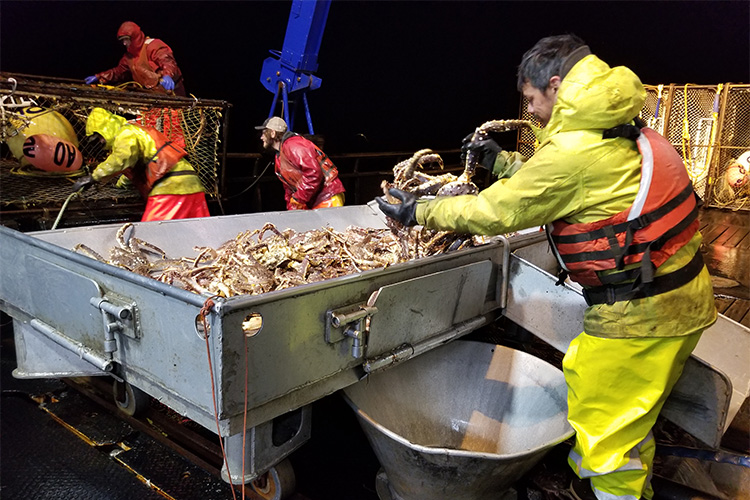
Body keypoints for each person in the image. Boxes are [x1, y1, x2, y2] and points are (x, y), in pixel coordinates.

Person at [377, 34, 716, 500]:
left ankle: (613, 492)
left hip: (638, 317)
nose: (532, 111)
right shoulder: (616, 122)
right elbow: (569, 185)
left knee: (607, 438)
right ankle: (603, 483)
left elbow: (495, 212)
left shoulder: (574, 151)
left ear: (556, 86)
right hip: (683, 297)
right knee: (628, 419)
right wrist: (502, 163)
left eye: (533, 100)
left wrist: (418, 211)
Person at [73, 107, 209, 221]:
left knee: (152, 235)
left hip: (170, 188)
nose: (101, 142)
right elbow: (132, 168)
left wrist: (94, 177)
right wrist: (120, 185)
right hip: (191, 183)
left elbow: (121, 158)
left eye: (99, 137)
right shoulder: (137, 130)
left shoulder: (125, 134)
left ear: (105, 129)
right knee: (198, 232)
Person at [256, 116, 345, 210]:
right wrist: (292, 206)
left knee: (327, 225)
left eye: (264, 133)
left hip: (327, 196)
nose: (262, 137)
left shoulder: (293, 145)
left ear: (273, 133)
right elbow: (289, 187)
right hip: (314, 199)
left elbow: (313, 173)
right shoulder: (280, 155)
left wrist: (298, 199)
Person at [85, 21, 186, 96]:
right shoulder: (129, 57)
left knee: (171, 123)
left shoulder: (153, 45)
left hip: (170, 95)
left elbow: (167, 62)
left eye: (126, 39)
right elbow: (119, 71)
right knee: (146, 123)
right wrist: (99, 77)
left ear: (134, 37)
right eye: (122, 40)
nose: (124, 43)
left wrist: (168, 75)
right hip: (149, 97)